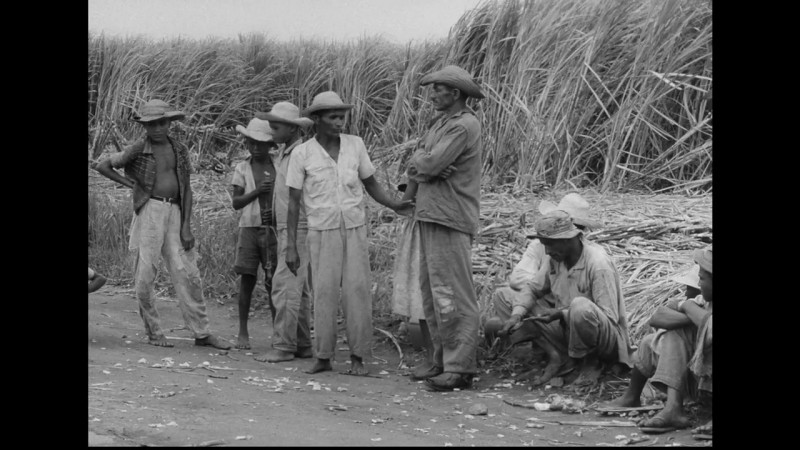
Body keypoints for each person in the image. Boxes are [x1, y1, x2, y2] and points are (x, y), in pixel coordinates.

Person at [284, 91, 413, 376]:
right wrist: (290, 246)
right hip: (321, 230)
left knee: (357, 292)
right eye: (332, 117)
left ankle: (358, 356)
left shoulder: (355, 145)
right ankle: (323, 356)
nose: (339, 122)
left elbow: (371, 183)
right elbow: (293, 202)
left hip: (354, 228)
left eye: (341, 117)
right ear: (317, 120)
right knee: (324, 293)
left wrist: (394, 204)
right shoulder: (302, 153)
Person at [94, 99, 230, 349]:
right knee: (146, 273)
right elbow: (103, 165)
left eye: (161, 123)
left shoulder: (179, 149)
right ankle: (154, 332)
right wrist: (130, 184)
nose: (157, 128)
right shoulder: (138, 148)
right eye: (151, 124)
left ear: (169, 123)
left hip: (175, 210)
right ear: (145, 126)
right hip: (150, 210)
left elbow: (186, 188)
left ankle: (202, 333)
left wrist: (186, 226)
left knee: (187, 272)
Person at [405, 65, 485, 391]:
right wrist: (424, 162)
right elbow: (419, 162)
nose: (433, 95)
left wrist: (427, 163)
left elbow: (429, 163)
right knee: (433, 292)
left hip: (450, 215)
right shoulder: (441, 124)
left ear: (455, 93)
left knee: (454, 294)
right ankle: (440, 359)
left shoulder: (464, 126)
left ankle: (459, 367)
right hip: (432, 214)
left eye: (438, 89)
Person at [498, 210, 632, 386]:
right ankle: (557, 356)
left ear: (568, 240)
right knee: (504, 295)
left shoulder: (598, 263)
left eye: (550, 245)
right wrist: (517, 315)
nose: (547, 251)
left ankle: (591, 362)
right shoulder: (556, 259)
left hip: (604, 339)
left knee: (580, 307)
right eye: (544, 245)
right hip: (567, 331)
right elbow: (532, 288)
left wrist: (561, 313)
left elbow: (609, 316)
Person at [603, 248, 712, 435]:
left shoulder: (696, 304)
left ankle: (673, 408)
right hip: (698, 378)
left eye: (702, 279)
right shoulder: (702, 302)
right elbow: (658, 317)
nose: (698, 284)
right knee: (653, 340)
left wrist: (689, 309)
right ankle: (665, 406)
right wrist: (690, 313)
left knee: (674, 332)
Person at [484, 194, 603, 358]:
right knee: (502, 298)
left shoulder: (594, 259)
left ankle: (571, 356)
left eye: (575, 227)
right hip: (546, 305)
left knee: (578, 308)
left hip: (575, 317)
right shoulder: (542, 248)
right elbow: (519, 279)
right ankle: (549, 351)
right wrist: (547, 288)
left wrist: (562, 308)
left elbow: (600, 311)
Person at [252, 102, 315, 362]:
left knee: (285, 286)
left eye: (276, 127)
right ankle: (302, 342)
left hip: (295, 225)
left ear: (291, 129)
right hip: (291, 225)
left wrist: (289, 240)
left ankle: (284, 345)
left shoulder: (297, 154)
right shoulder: (288, 154)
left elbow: (294, 200)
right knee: (298, 288)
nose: (272, 131)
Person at [230, 117, 279, 350]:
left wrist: (275, 215)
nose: (256, 148)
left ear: (270, 145)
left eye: (261, 144)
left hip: (273, 229)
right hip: (249, 227)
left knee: (273, 282)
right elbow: (236, 202)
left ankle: (278, 332)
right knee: (247, 280)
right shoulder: (242, 168)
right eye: (251, 143)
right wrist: (257, 192)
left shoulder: (279, 166)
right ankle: (243, 331)